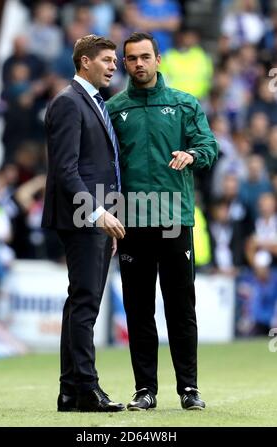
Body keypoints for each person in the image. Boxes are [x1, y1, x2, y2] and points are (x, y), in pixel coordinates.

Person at [107, 32, 218, 411]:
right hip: (132, 223)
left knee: (181, 309)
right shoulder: (114, 108)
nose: (139, 64)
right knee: (139, 310)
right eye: (132, 58)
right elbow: (107, 168)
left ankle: (189, 388)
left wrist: (192, 154)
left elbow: (209, 146)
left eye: (145, 57)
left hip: (174, 220)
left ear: (158, 59)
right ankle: (145, 390)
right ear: (125, 64)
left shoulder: (185, 104)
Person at [41, 34, 126, 412]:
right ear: (85, 62)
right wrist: (97, 213)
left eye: (114, 60)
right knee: (86, 303)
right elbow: (65, 169)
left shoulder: (91, 102)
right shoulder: (68, 102)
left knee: (79, 303)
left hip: (93, 217)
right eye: (107, 59)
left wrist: (107, 214)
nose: (114, 66)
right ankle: (88, 389)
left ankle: (70, 391)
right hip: (82, 217)